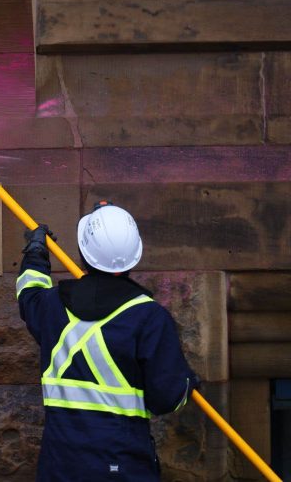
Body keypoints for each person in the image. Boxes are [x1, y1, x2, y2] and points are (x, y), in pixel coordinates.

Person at [16, 200, 200, 481]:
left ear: (82, 253)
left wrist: (36, 253)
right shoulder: (149, 318)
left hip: (61, 466)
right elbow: (166, 399)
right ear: (135, 255)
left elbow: (29, 293)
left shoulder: (52, 306)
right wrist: (188, 383)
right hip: (124, 466)